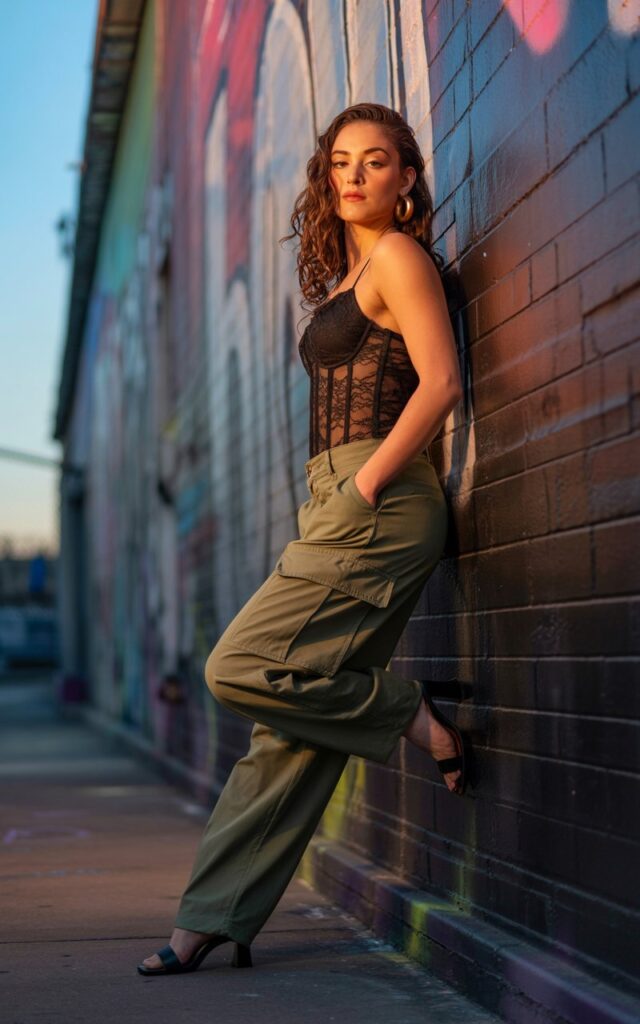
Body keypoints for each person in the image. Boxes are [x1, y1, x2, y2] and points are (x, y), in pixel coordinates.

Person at [138, 102, 473, 977]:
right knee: (284, 733)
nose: (355, 174)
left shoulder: (399, 258)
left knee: (237, 666)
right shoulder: (346, 275)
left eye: (377, 161)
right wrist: (338, 492)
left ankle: (409, 716)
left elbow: (438, 383)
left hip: (381, 497)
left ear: (406, 180)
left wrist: (363, 485)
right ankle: (213, 921)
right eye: (341, 162)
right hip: (339, 501)